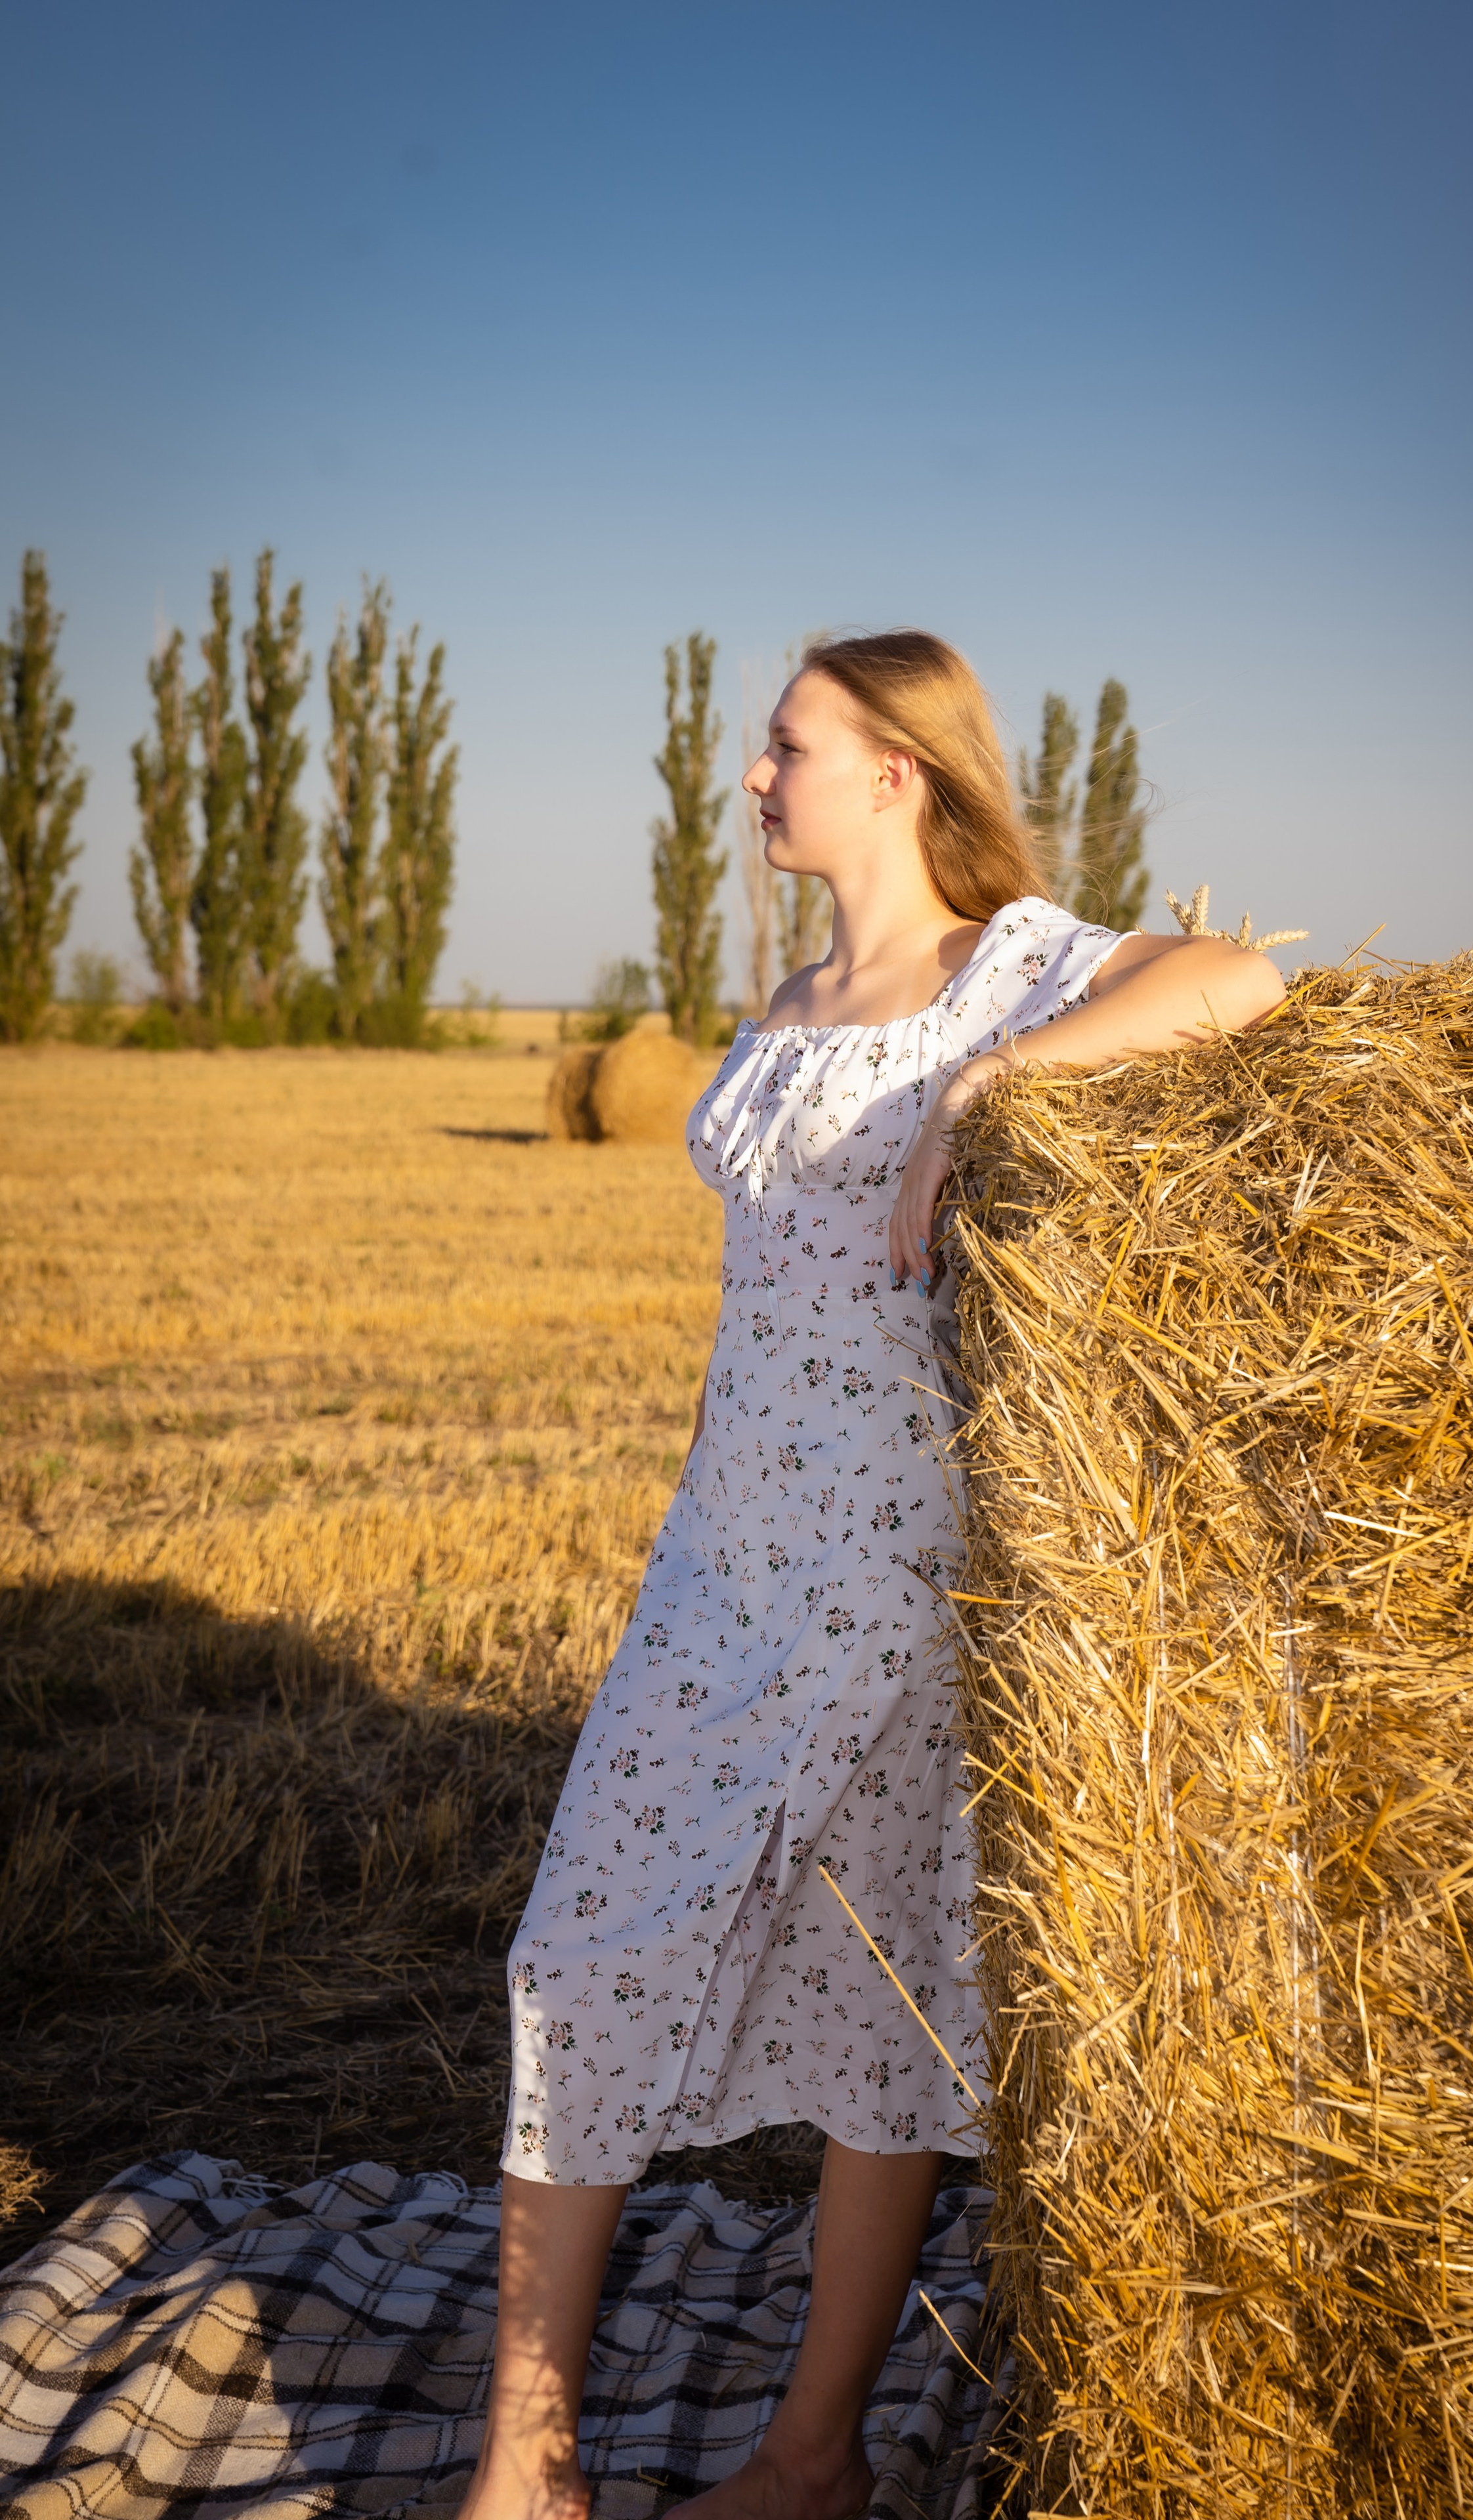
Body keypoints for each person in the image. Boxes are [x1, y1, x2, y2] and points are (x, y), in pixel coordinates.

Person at [459, 631, 1286, 2520]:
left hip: (895, 1571)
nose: (756, 778)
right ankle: (531, 2455)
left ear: (900, 771)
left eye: (788, 746)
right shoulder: (796, 991)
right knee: (579, 1951)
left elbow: (1238, 979)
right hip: (720, 1557)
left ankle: (812, 2453)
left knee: (880, 1996)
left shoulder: (1013, 969)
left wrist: (1010, 1076)